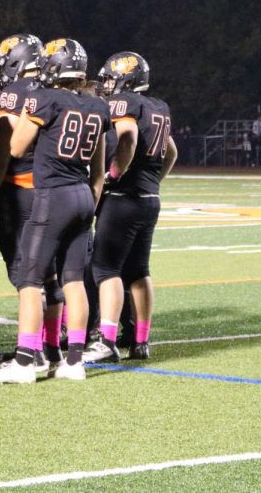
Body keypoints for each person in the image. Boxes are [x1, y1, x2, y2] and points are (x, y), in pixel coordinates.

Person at [0, 38, 109, 384]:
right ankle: (74, 359)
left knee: (29, 278)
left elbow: (17, 146)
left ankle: (26, 360)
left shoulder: (42, 98)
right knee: (72, 280)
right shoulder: (96, 106)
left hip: (50, 196)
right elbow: (98, 170)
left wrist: (24, 115)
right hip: (83, 194)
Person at [82, 51, 177, 363]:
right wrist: (155, 180)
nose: (107, 84)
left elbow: (128, 138)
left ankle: (107, 340)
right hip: (149, 198)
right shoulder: (157, 107)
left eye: (111, 77)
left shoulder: (126, 103)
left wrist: (113, 175)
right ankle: (141, 340)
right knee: (139, 271)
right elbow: (171, 151)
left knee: (105, 269)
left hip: (124, 198)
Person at [0, 33, 65, 370]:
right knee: (50, 274)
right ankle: (53, 347)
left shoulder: (14, 95)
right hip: (56, 191)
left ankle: (29, 350)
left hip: (18, 192)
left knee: (25, 274)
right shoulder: (57, 91)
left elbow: (6, 150)